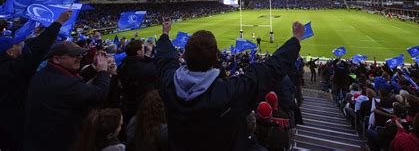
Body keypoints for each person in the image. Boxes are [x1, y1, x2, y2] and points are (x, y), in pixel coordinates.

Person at [155, 20, 303, 150]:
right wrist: (296, 39)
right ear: (215, 59)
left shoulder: (169, 83)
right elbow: (269, 70)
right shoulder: (229, 92)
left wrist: (165, 33)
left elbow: (166, 58)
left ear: (185, 55)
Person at [0, 10, 72, 150]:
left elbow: (32, 47)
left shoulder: (7, 64)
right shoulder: (13, 68)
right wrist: (59, 22)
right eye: (17, 44)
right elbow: (39, 48)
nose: (22, 45)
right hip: (13, 123)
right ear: (10, 51)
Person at [24, 43, 110, 151]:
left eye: (80, 54)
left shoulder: (44, 73)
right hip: (61, 141)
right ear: (56, 59)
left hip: (42, 137)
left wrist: (93, 69)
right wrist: (103, 71)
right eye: (73, 55)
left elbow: (74, 84)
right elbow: (99, 94)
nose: (79, 57)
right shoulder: (64, 84)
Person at [118, 39, 160, 123]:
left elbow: (140, 64)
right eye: (142, 48)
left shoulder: (122, 66)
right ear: (138, 52)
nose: (144, 48)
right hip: (144, 107)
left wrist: (147, 54)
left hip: (129, 104)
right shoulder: (145, 69)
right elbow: (151, 70)